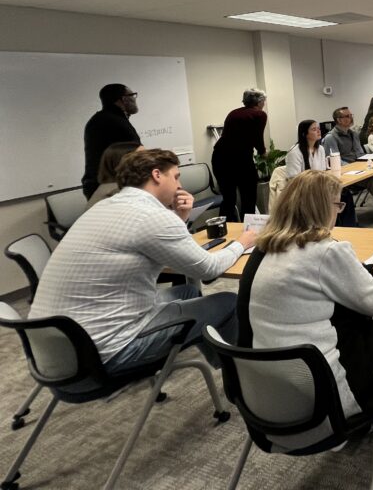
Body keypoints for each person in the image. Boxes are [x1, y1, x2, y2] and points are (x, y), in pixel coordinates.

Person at [238, 170, 373, 456]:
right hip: (325, 405)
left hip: (266, 403)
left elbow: (318, 276)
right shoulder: (325, 251)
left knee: (349, 315)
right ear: (320, 207)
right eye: (337, 204)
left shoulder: (264, 249)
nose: (339, 212)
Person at [30, 149, 257, 371]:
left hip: (54, 353)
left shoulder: (105, 206)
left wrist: (180, 218)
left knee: (188, 292)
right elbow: (208, 269)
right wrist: (243, 242)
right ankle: (240, 375)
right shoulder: (152, 216)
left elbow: (157, 242)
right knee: (228, 302)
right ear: (157, 175)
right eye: (176, 177)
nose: (179, 186)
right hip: (103, 356)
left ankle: (222, 363)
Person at [287, 119, 360, 227]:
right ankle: (335, 226)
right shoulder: (295, 152)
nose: (318, 131)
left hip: (319, 187)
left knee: (344, 193)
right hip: (303, 191)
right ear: (304, 134)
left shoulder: (320, 149)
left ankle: (349, 227)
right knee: (333, 199)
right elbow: (294, 180)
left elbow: (322, 172)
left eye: (318, 128)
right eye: (314, 129)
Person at [211, 88, 268, 221]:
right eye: (264, 101)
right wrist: (263, 152)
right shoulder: (259, 115)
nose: (264, 103)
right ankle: (248, 229)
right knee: (249, 198)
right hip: (241, 160)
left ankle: (225, 229)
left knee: (228, 199)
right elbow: (257, 137)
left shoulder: (234, 113)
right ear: (259, 102)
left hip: (219, 158)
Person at [82, 83, 141, 199]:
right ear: (124, 99)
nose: (135, 99)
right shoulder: (115, 121)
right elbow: (137, 155)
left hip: (100, 185)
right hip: (111, 187)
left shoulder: (101, 119)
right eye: (132, 95)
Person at [87, 140, 142, 208]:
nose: (149, 159)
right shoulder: (116, 191)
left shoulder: (111, 186)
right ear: (123, 162)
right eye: (142, 157)